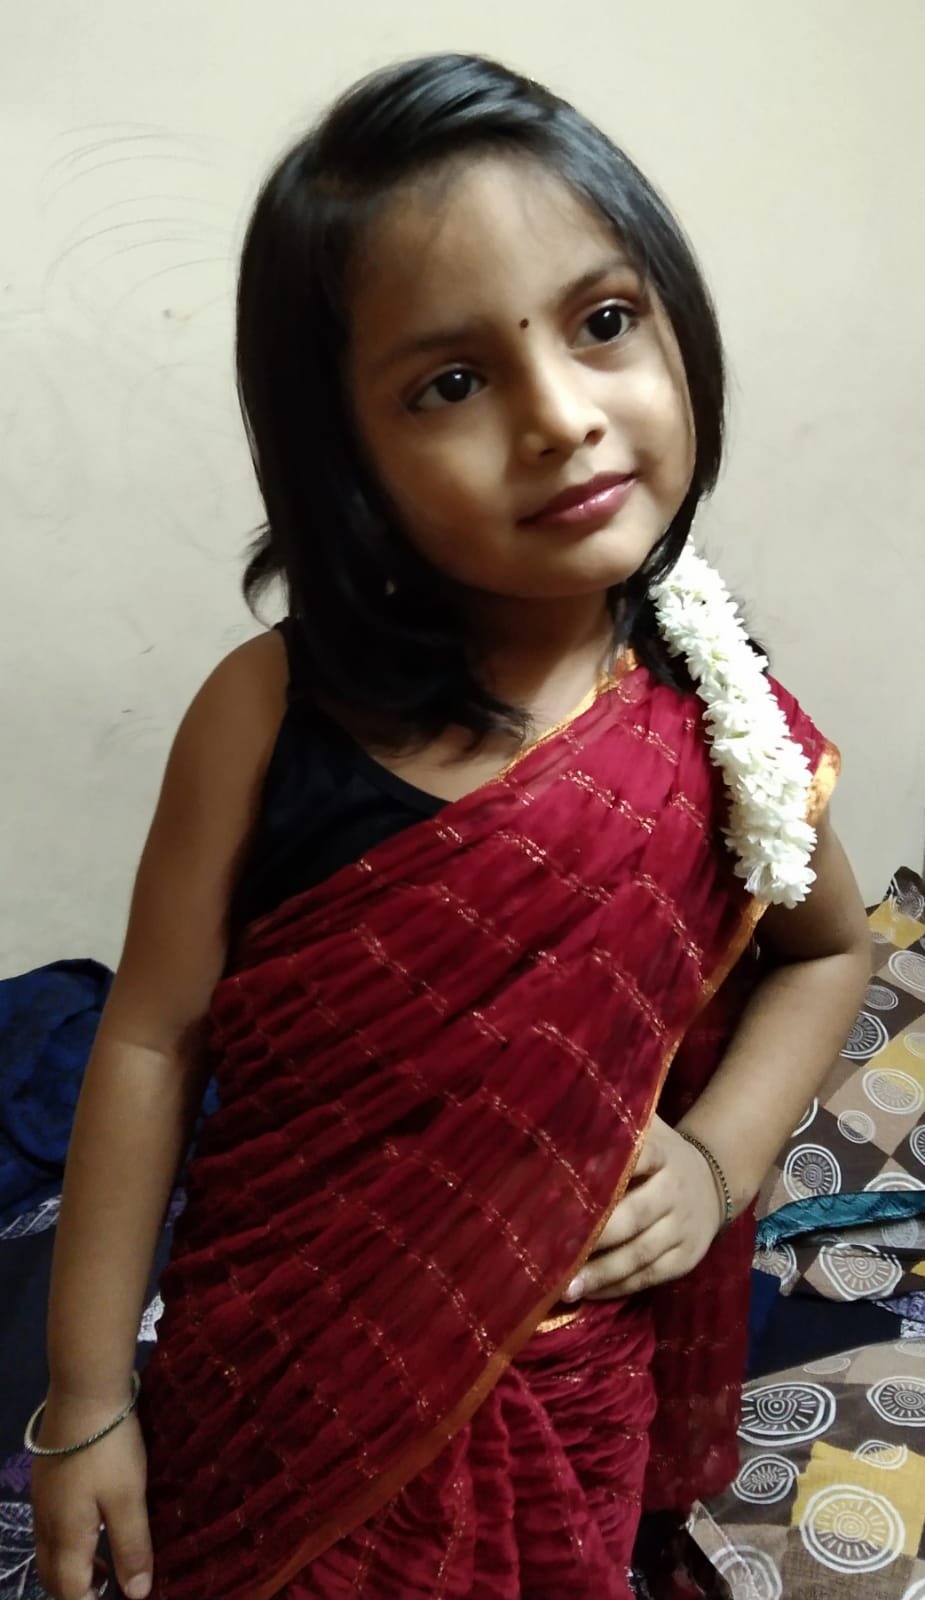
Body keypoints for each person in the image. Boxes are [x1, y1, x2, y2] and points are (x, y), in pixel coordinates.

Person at [29, 52, 870, 1600]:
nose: (558, 417)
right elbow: (148, 1036)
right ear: (342, 455)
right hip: (274, 1375)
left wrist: (715, 1163)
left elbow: (830, 950)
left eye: (602, 321)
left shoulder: (714, 705)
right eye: (450, 383)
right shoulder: (267, 709)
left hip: (565, 1390)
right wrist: (84, 1402)